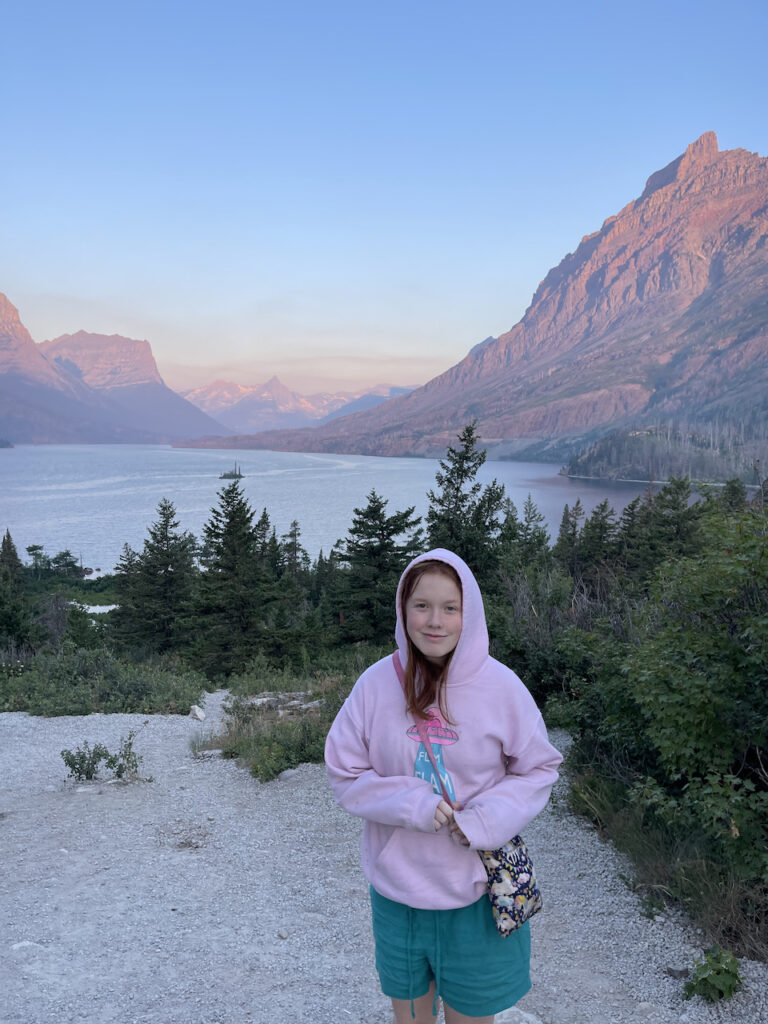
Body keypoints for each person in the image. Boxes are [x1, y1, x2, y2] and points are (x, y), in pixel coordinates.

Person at [325, 548, 563, 1023]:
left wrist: (486, 819)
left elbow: (539, 768)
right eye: (421, 605)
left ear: (468, 613)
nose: (435, 621)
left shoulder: (501, 687)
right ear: (403, 610)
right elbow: (344, 769)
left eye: (450, 608)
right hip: (399, 893)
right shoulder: (376, 685)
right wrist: (411, 802)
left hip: (473, 893)